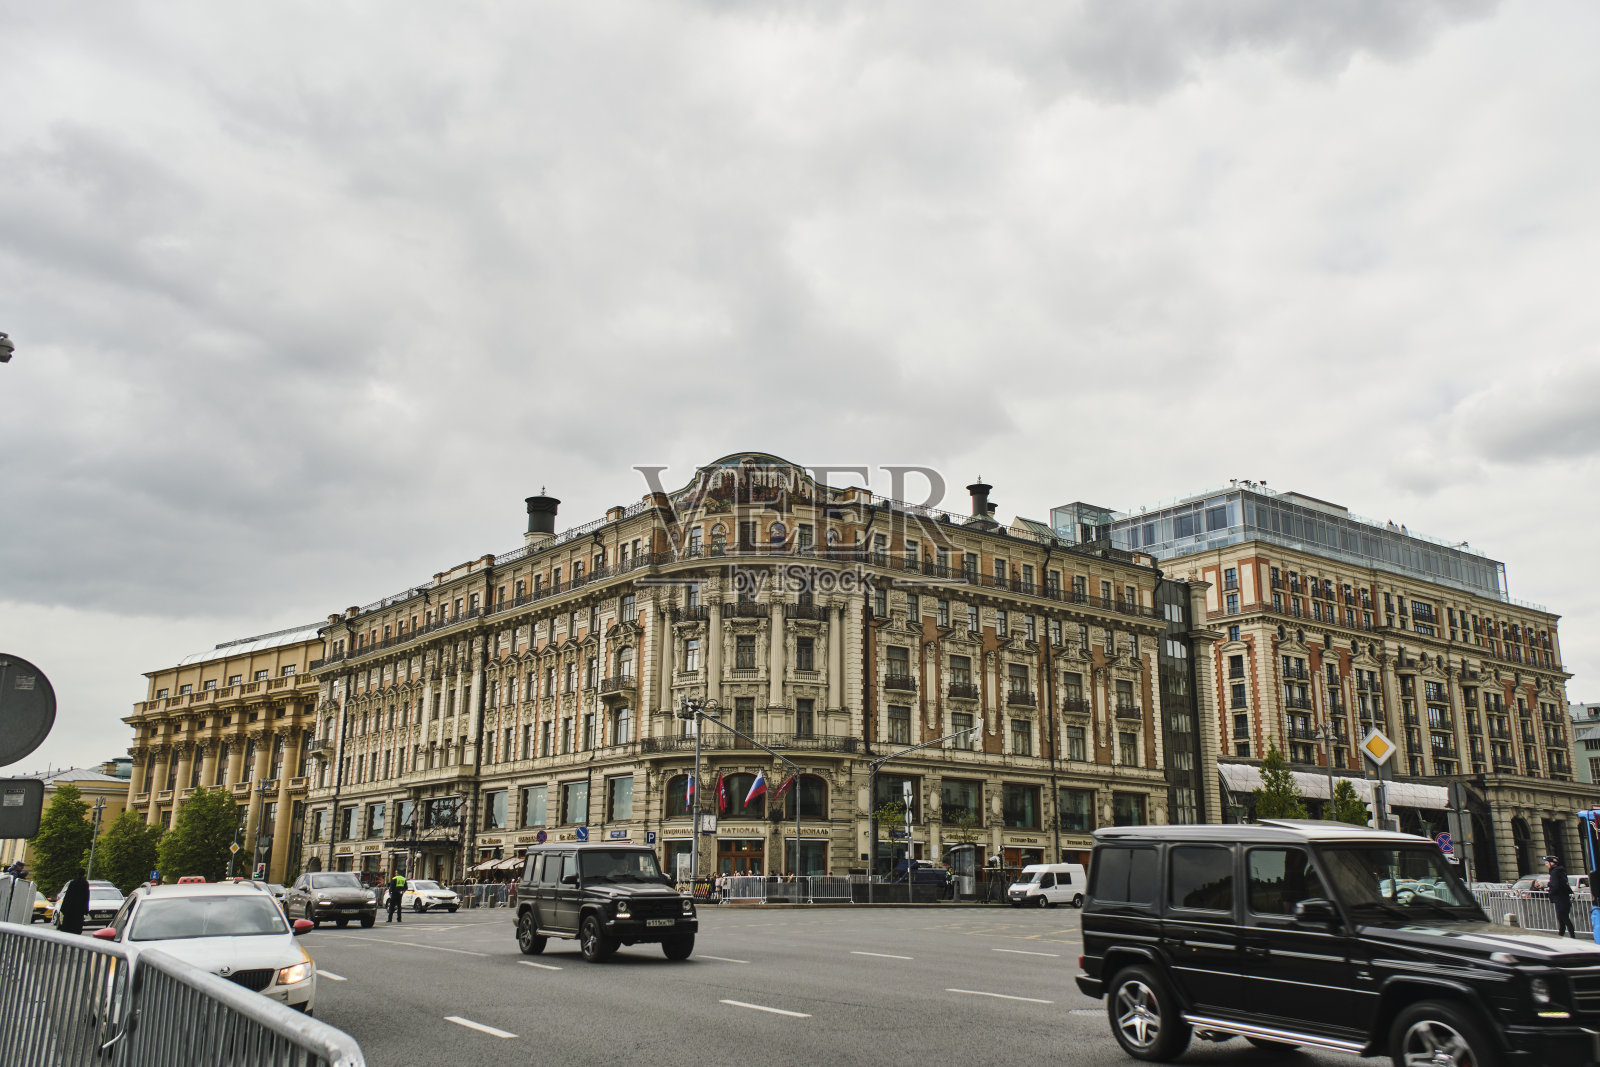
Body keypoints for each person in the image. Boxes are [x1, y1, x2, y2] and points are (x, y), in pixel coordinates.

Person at [1546, 856, 1575, 937]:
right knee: (1562, 920)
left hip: (1560, 898)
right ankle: (1560, 937)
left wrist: (1550, 894)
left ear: (1552, 863)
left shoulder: (1555, 872)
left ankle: (1572, 937)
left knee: (1564, 919)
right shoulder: (1560, 871)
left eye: (1547, 863)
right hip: (1564, 898)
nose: (1546, 865)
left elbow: (1555, 885)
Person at [57, 868, 90, 935]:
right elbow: (86, 897)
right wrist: (85, 910)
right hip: (79, 909)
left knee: (68, 927)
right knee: (77, 927)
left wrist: (64, 908)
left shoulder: (73, 883)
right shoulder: (85, 884)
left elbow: (67, 897)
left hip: (70, 909)